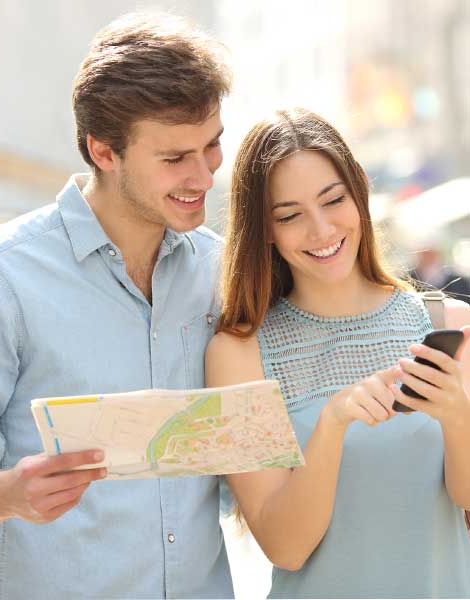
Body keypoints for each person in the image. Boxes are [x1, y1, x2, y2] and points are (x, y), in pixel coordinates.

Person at [0, 13, 235, 597]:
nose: (203, 176)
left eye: (212, 145)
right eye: (175, 158)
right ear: (104, 151)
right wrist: (7, 494)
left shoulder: (221, 268)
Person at [205, 108, 470, 597]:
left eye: (333, 200)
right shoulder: (237, 355)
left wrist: (457, 416)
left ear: (359, 192)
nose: (322, 230)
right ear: (264, 228)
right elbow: (285, 547)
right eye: (290, 216)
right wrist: (332, 424)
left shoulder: (448, 324)